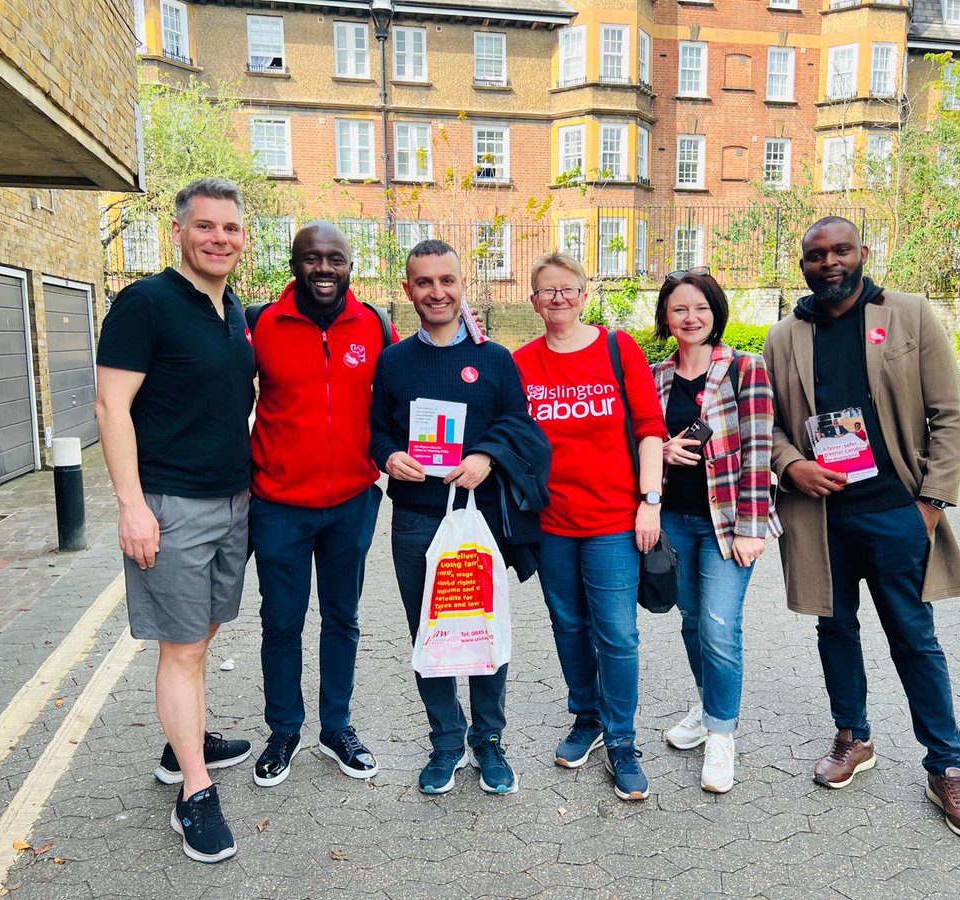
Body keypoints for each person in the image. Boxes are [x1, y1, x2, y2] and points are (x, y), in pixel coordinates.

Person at [763, 216, 960, 839]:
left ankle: (946, 767)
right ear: (802, 264)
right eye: (816, 255)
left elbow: (949, 413)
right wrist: (792, 465)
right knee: (835, 630)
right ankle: (852, 736)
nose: (829, 262)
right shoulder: (784, 337)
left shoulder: (910, 315)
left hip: (897, 513)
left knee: (914, 639)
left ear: (863, 253)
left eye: (841, 251)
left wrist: (930, 505)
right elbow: (769, 424)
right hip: (822, 519)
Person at [95, 178, 254, 863]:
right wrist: (132, 505)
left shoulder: (233, 308)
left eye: (231, 229)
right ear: (179, 231)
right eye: (206, 227)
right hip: (170, 504)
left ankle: (180, 739)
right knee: (182, 647)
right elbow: (110, 407)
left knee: (204, 630)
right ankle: (193, 790)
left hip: (233, 500)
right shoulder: (145, 303)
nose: (219, 238)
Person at [370, 239, 549, 797]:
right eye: (424, 282)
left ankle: (489, 742)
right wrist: (387, 456)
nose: (437, 292)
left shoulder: (494, 359)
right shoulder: (394, 361)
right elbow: (375, 428)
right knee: (431, 636)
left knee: (481, 631)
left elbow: (522, 425)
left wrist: (486, 454)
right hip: (417, 521)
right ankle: (446, 741)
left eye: (446, 280)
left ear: (462, 284)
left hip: (479, 520)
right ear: (408, 290)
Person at [247, 222, 397, 789]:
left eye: (335, 258)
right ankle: (283, 730)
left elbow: (399, 399)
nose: (324, 269)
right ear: (294, 263)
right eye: (313, 258)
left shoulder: (376, 325)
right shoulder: (261, 323)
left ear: (351, 264)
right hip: (279, 506)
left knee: (342, 619)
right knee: (281, 622)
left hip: (351, 503)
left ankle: (336, 727)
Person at [512, 252, 666, 802]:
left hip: (613, 520)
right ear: (533, 302)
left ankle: (622, 740)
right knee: (567, 623)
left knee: (618, 634)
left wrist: (650, 500)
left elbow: (650, 428)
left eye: (567, 289)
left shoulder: (616, 348)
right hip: (552, 522)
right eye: (546, 290)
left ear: (583, 294)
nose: (558, 298)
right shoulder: (522, 361)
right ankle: (588, 717)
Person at [649, 269, 780, 793]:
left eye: (700, 308)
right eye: (679, 309)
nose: (690, 318)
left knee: (720, 626)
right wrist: (659, 450)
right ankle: (708, 708)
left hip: (728, 523)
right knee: (688, 620)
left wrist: (752, 526)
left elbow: (759, 448)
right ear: (665, 317)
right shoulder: (656, 376)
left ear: (715, 312)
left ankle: (723, 734)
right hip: (674, 520)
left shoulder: (746, 369)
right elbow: (641, 441)